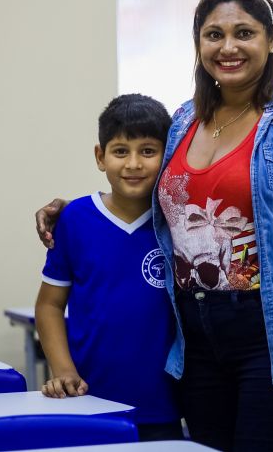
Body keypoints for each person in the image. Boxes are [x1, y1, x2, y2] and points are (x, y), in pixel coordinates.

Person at [36, 0, 273, 452]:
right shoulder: (186, 120)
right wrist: (74, 211)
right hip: (194, 340)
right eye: (214, 34)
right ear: (198, 44)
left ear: (272, 40)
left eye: (244, 33)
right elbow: (154, 195)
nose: (228, 47)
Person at [34, 94, 183, 441]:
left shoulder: (179, 223)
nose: (133, 163)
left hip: (164, 402)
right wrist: (63, 370)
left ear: (167, 156)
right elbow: (49, 305)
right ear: (101, 157)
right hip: (88, 399)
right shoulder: (75, 219)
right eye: (120, 151)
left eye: (148, 151)